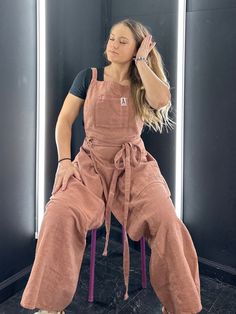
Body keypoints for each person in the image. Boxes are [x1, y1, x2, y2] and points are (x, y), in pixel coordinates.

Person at [20, 18, 203, 314]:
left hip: (135, 166)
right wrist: (65, 161)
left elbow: (161, 99)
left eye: (123, 41)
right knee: (58, 213)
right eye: (112, 39)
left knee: (167, 221)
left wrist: (143, 62)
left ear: (137, 48)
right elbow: (64, 121)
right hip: (89, 163)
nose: (113, 45)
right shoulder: (88, 77)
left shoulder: (144, 81)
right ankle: (50, 307)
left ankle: (179, 307)